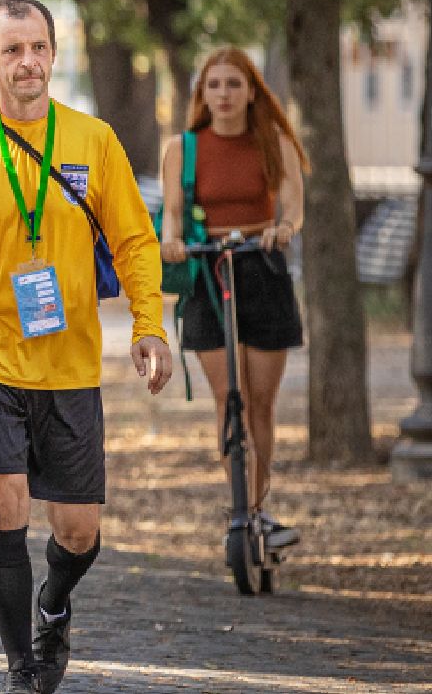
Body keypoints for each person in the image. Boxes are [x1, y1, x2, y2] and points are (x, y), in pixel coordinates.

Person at [0, 0, 172, 694]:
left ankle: (54, 605)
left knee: (78, 530)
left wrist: (148, 325)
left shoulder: (94, 141)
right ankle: (21, 666)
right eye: (13, 50)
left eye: (39, 48)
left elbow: (135, 241)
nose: (29, 62)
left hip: (68, 360)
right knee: (5, 508)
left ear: (55, 54)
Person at [159, 47, 305, 549]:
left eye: (233, 84)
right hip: (208, 270)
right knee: (229, 400)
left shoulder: (275, 142)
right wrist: (173, 240)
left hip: (261, 268)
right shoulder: (183, 147)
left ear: (251, 91)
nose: (223, 94)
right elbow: (174, 213)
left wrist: (283, 228)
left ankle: (261, 509)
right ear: (202, 93)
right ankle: (240, 508)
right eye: (214, 85)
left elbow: (295, 207)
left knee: (261, 403)